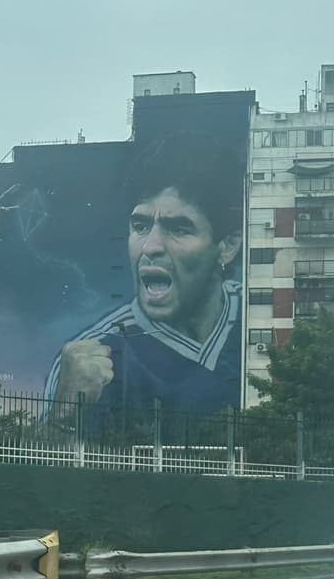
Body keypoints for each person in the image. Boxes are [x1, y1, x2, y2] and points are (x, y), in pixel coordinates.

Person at [43, 131, 244, 417]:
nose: (150, 247)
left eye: (178, 228)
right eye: (140, 226)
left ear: (228, 245)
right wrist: (63, 411)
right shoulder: (94, 355)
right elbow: (36, 458)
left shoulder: (257, 318)